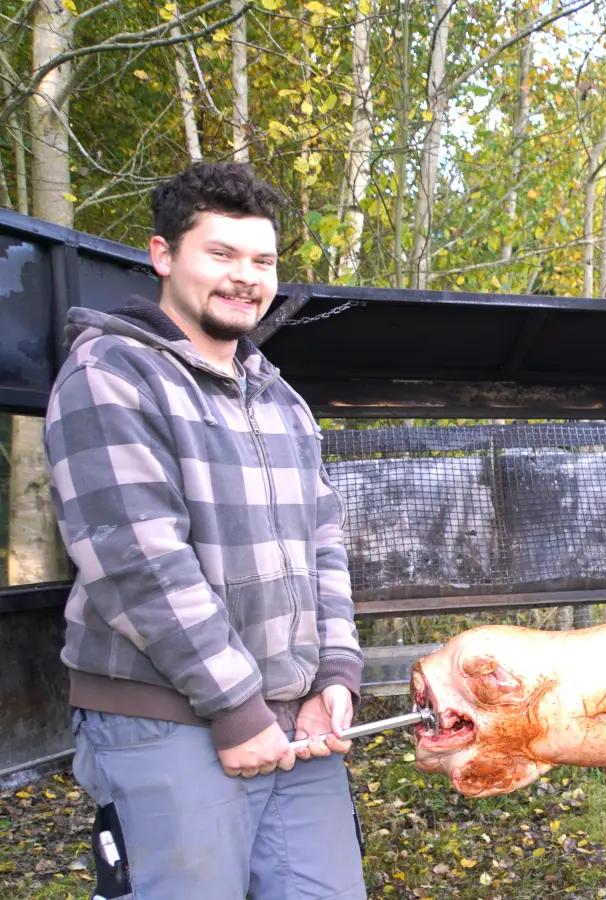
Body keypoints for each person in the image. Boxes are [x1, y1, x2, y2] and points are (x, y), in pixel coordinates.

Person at [44, 162, 367, 900]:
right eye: (221, 254)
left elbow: (324, 546)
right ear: (164, 255)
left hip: (297, 724)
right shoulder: (111, 374)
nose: (245, 277)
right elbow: (138, 562)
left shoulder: (281, 399)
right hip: (167, 721)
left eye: (262, 261)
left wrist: (334, 677)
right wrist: (235, 710)